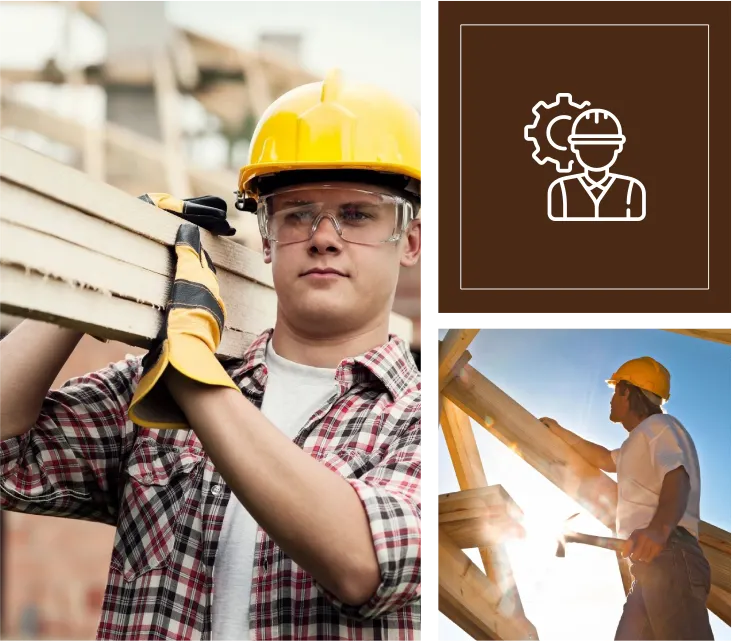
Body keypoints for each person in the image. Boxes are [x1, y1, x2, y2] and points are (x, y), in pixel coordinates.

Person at [0, 69, 423, 640]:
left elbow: (364, 564)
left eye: (357, 214)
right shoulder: (158, 381)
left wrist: (191, 374)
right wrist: (108, 265)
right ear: (266, 236)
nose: (324, 235)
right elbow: (7, 451)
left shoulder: (424, 424)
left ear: (411, 241)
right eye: (297, 213)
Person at [540, 356, 714, 641]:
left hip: (671, 554)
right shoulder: (638, 441)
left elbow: (677, 476)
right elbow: (603, 459)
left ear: (627, 391)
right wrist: (559, 431)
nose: (611, 400)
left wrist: (659, 529)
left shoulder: (661, 426)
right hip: (650, 565)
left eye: (614, 391)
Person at [548, 108, 646, 220]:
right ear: (575, 147)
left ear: (618, 147)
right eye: (587, 145)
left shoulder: (631, 189)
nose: (596, 151)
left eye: (605, 145)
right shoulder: (561, 189)